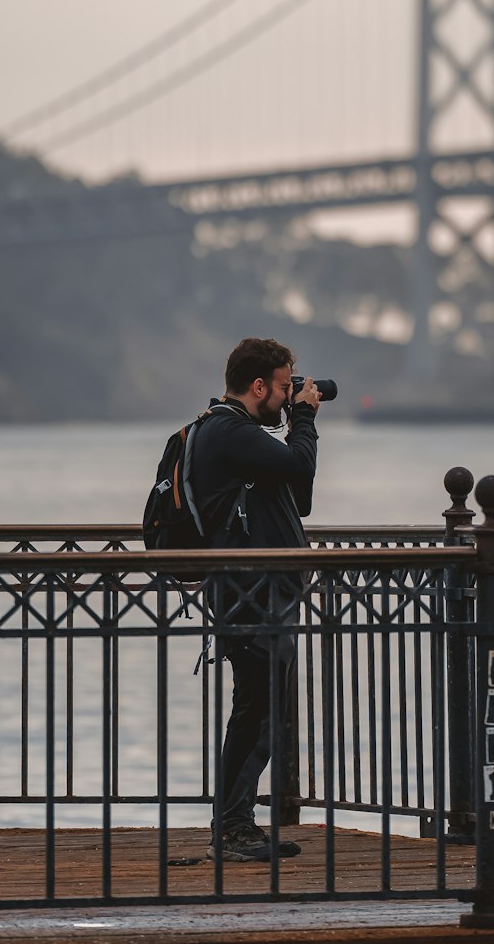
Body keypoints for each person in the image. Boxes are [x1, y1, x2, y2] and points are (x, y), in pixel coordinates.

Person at [189, 336, 320, 863]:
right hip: (249, 592)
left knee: (260, 710)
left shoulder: (235, 434)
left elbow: (299, 496)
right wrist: (306, 420)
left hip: (260, 589)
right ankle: (232, 827)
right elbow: (301, 467)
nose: (290, 397)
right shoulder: (229, 429)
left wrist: (296, 428)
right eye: (286, 388)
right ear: (259, 385)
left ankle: (237, 822)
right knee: (257, 712)